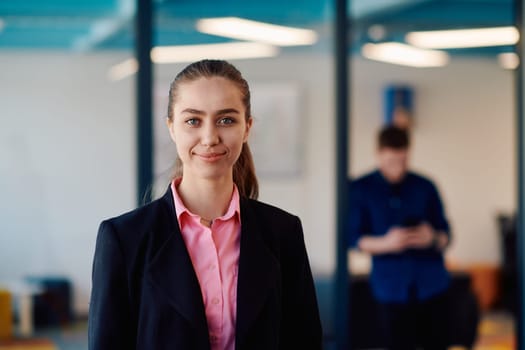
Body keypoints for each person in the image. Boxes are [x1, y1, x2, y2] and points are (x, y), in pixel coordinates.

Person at [88, 59, 322, 350]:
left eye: (226, 120)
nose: (210, 137)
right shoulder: (124, 239)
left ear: (247, 127)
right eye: (193, 121)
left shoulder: (283, 232)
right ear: (171, 128)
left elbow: (304, 340)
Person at [347, 125, 451, 350]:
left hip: (432, 285)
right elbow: (353, 239)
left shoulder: (426, 186)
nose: (397, 169)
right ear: (379, 154)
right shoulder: (360, 189)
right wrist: (387, 243)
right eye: (391, 161)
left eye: (402, 161)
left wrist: (431, 238)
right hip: (390, 288)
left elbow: (447, 236)